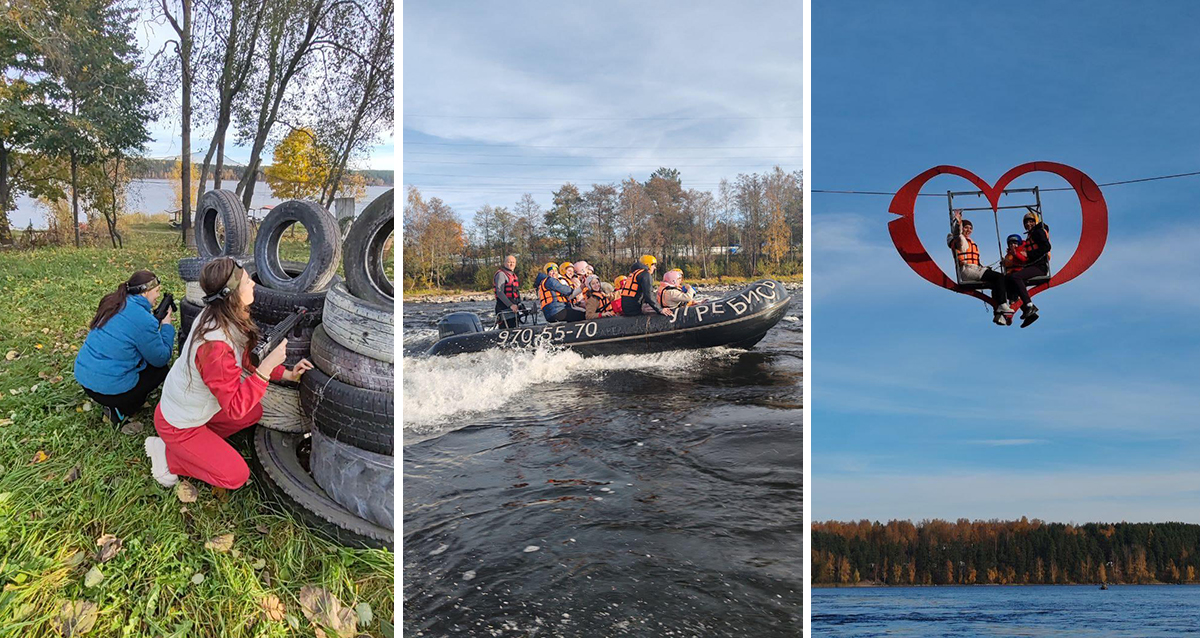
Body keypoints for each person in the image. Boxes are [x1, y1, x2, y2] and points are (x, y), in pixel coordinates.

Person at [144, 257, 313, 490]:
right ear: (231, 294)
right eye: (246, 282)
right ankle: (167, 455)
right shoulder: (215, 347)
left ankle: (196, 445)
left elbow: (247, 358)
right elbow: (234, 407)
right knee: (236, 476)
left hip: (190, 410)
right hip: (178, 424)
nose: (253, 283)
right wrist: (264, 371)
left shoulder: (222, 315)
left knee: (253, 412)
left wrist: (286, 373)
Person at [74, 270, 175, 425]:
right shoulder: (143, 320)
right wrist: (167, 326)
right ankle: (121, 410)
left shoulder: (114, 302)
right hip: (108, 389)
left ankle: (112, 400)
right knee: (160, 371)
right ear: (145, 293)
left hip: (85, 379)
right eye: (156, 291)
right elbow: (160, 358)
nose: (158, 296)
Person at [947, 211, 1009, 326]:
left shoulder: (970, 242)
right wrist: (958, 222)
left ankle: (998, 314)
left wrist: (984, 267)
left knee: (996, 283)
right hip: (967, 270)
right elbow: (957, 234)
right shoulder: (960, 241)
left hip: (973, 269)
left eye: (970, 228)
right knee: (999, 277)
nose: (968, 230)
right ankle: (1002, 304)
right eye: (966, 227)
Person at [1005, 210, 1052, 328]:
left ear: (1035, 222)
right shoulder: (1031, 235)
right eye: (1026, 223)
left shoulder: (1037, 232)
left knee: (1016, 277)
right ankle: (1030, 314)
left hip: (1040, 267)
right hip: (1033, 266)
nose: (1028, 224)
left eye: (1031, 221)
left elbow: (1046, 246)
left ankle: (1030, 306)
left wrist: (1030, 256)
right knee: (1011, 279)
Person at [494, 255, 524, 329]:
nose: (512, 264)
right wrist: (510, 305)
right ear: (505, 263)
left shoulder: (513, 276)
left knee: (515, 327)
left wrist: (519, 304)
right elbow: (499, 292)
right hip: (504, 308)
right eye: (509, 262)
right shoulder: (501, 274)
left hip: (513, 309)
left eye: (513, 262)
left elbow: (516, 292)